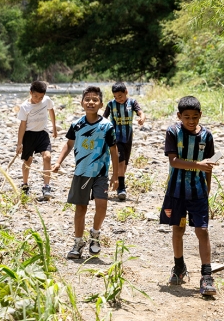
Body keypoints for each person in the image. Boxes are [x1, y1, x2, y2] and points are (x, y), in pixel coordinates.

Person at [52, 86, 119, 259]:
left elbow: (113, 150)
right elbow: (68, 144)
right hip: (81, 172)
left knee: (101, 206)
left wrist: (115, 175)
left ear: (101, 104)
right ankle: (78, 242)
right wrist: (58, 162)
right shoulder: (77, 124)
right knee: (80, 208)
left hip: (101, 173)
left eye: (95, 99)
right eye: (87, 99)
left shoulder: (106, 126)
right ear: (82, 103)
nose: (91, 102)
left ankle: (95, 235)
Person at [160, 96, 218, 296]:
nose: (191, 121)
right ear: (179, 116)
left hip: (198, 192)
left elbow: (209, 166)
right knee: (178, 229)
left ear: (200, 115)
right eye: (187, 117)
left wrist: (207, 188)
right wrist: (198, 165)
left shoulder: (207, 136)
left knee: (202, 231)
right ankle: (179, 268)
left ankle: (207, 275)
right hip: (176, 192)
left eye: (195, 117)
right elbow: (174, 161)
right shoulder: (173, 132)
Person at [103, 82, 146, 201]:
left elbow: (140, 112)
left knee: (125, 164)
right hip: (115, 137)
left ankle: (118, 180)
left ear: (126, 92)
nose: (118, 99)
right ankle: (121, 188)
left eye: (120, 96)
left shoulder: (132, 102)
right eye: (116, 97)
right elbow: (103, 118)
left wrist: (142, 118)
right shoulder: (111, 104)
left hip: (128, 137)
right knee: (120, 162)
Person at [16, 80, 58, 199]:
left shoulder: (47, 100)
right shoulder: (25, 106)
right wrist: (19, 144)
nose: (38, 99)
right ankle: (25, 185)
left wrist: (54, 127)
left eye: (41, 97)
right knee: (28, 161)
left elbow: (51, 110)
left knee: (47, 157)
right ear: (30, 93)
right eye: (35, 96)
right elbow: (22, 125)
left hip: (43, 134)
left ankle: (46, 186)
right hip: (29, 135)